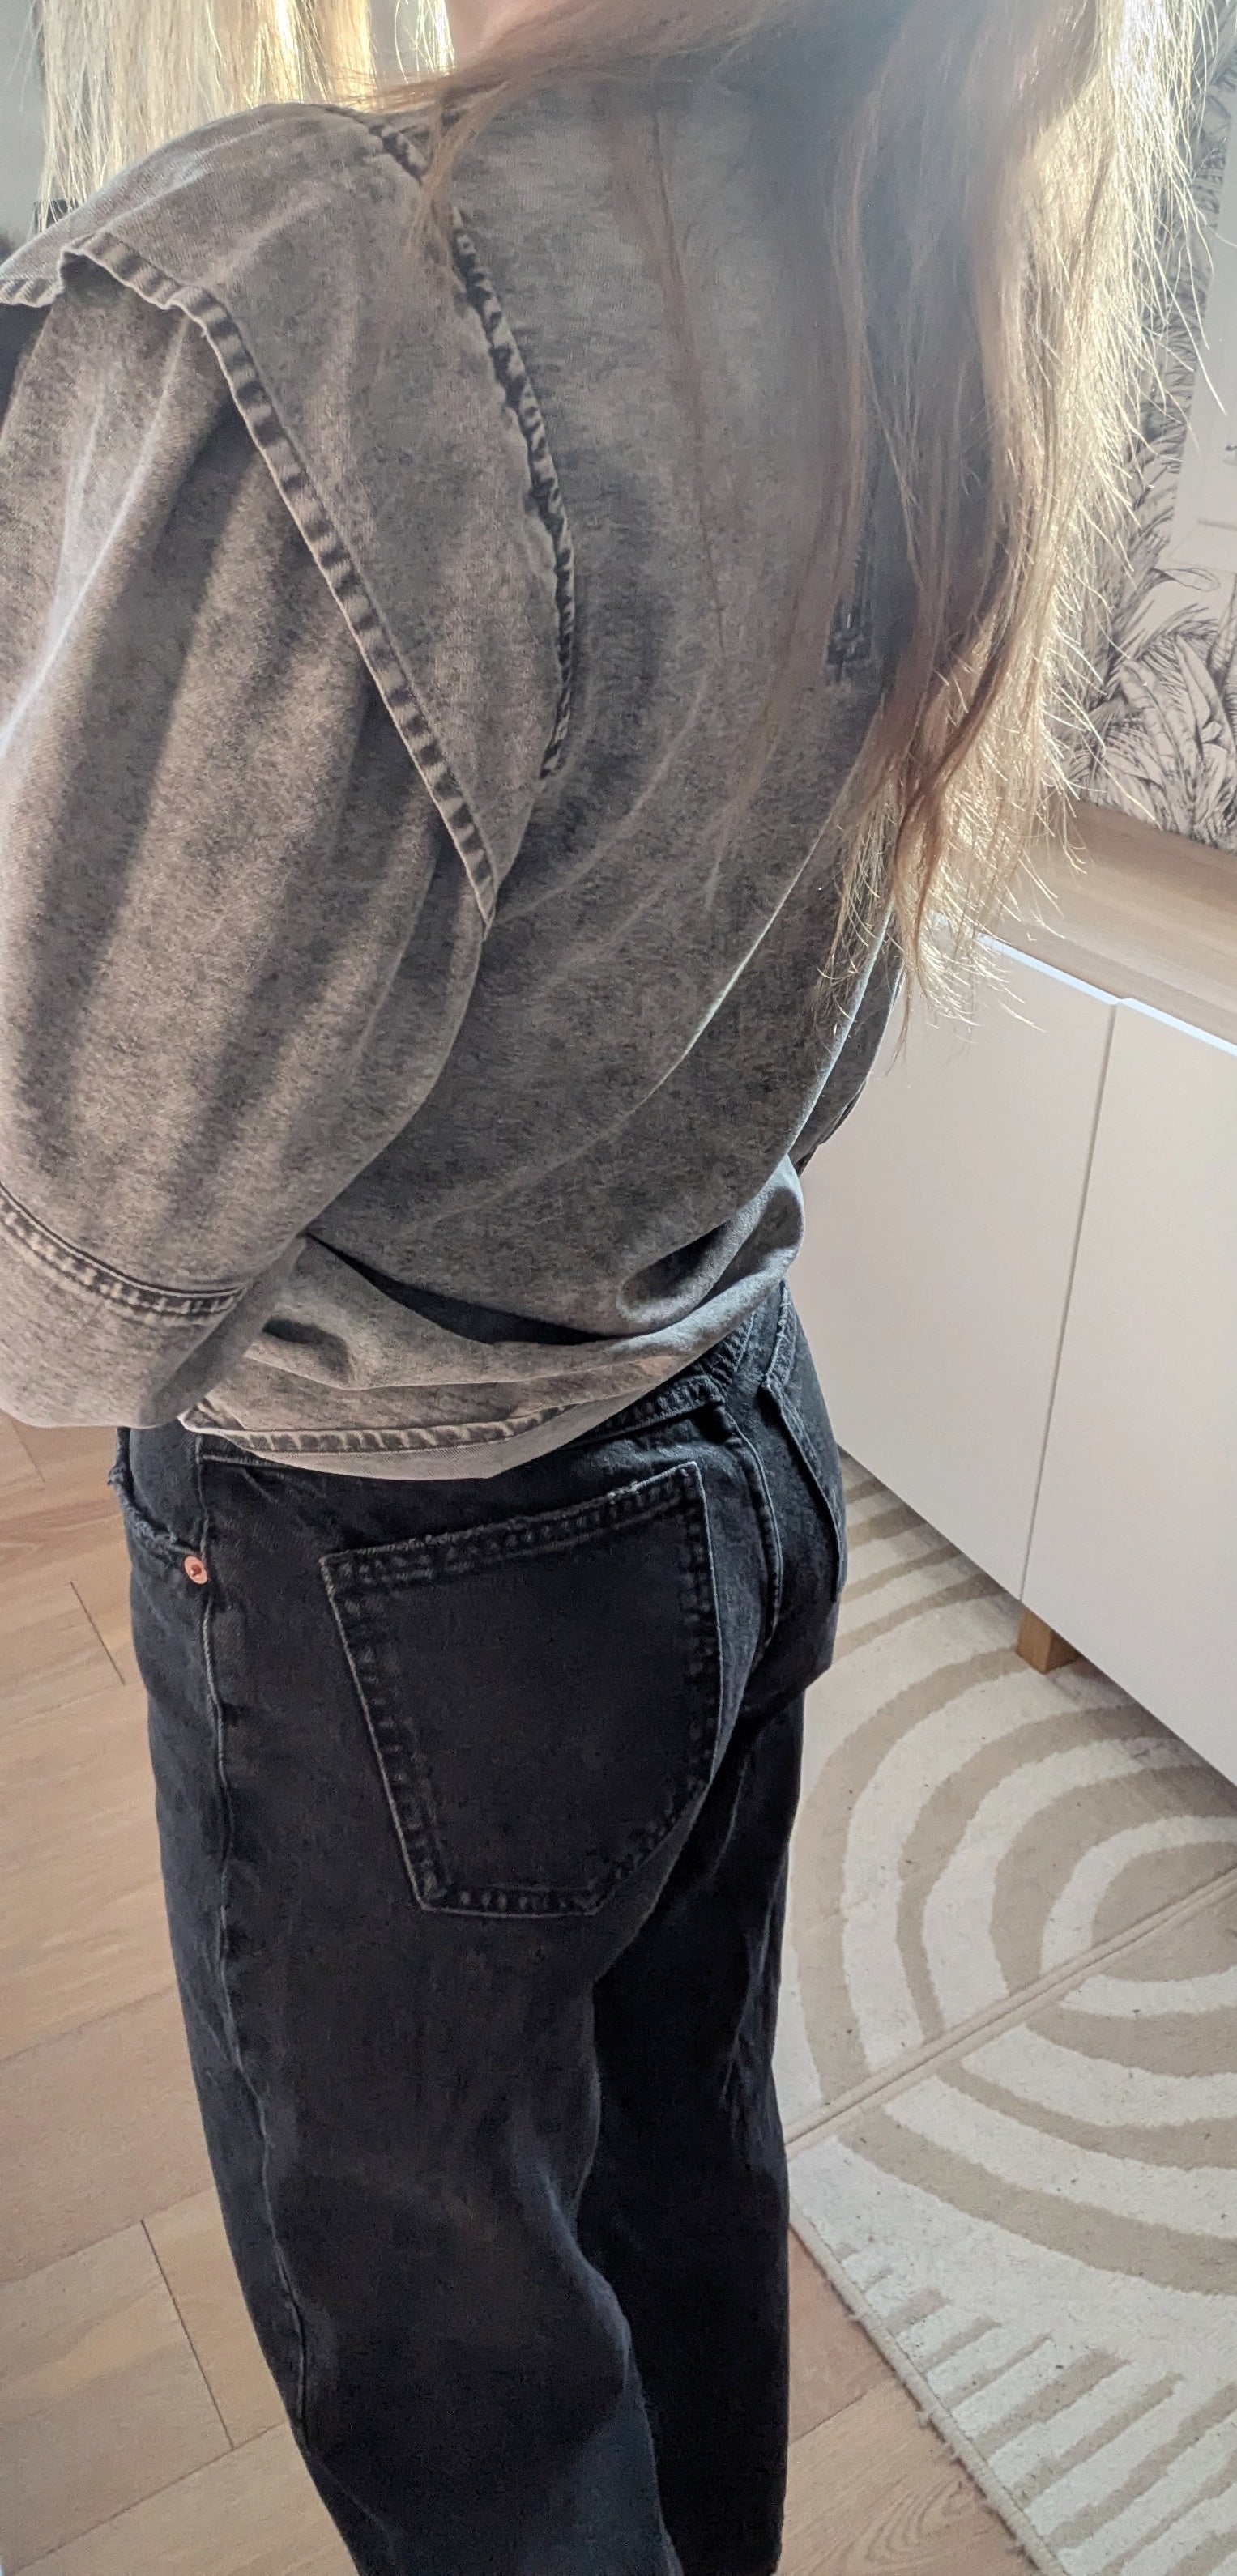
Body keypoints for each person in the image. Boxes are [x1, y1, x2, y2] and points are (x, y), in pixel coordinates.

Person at [0, 2, 1197, 2570]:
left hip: (405, 1582)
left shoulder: (330, 293)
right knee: (678, 2187)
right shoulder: (899, 253)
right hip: (732, 1428)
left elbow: (67, 1286)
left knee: (468, 2385)